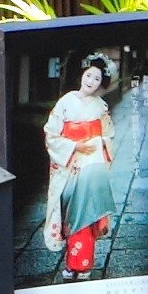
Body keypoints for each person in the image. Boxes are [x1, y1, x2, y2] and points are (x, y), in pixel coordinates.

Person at [38, 52, 117, 277]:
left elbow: (109, 134)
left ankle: (83, 265)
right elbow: (51, 133)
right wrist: (74, 146)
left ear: (101, 84)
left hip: (91, 165)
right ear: (83, 73)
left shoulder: (100, 107)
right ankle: (73, 263)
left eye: (97, 80)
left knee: (88, 211)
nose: (91, 81)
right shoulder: (66, 102)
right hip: (71, 163)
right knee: (70, 212)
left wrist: (96, 141)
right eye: (89, 75)